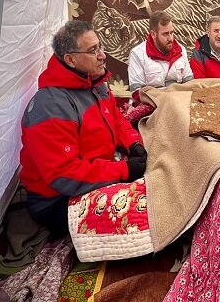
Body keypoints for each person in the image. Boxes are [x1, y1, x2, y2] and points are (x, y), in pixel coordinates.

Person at [20, 20, 147, 235]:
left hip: (97, 172)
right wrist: (124, 170)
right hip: (56, 200)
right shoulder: (50, 106)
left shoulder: (94, 83)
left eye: (100, 46)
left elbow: (117, 120)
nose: (102, 55)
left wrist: (133, 143)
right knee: (143, 211)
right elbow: (65, 175)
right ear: (70, 59)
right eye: (93, 50)